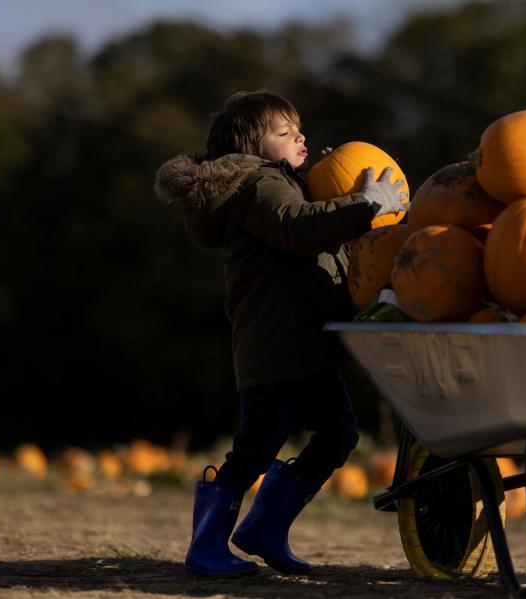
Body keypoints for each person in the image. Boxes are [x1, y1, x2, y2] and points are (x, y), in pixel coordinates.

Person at [154, 90, 406, 576]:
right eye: (285, 132)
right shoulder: (259, 184)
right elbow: (297, 228)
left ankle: (265, 527)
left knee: (339, 433)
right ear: (253, 145)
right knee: (259, 444)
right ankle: (205, 546)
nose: (301, 138)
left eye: (299, 129)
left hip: (306, 344)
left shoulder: (286, 182)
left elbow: (322, 252)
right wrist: (366, 203)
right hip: (273, 347)